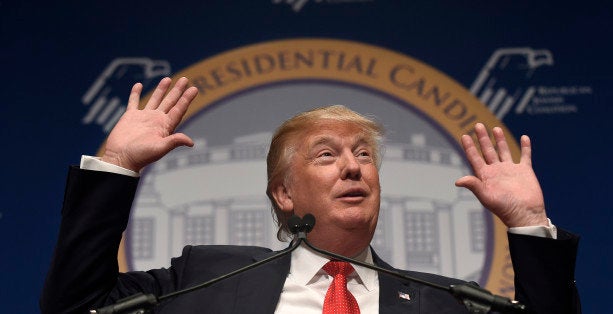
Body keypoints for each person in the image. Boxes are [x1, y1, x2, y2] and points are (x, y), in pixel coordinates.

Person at [41, 77, 580, 313]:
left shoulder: (452, 302)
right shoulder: (203, 277)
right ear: (283, 193)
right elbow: (76, 305)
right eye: (327, 155)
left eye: (364, 155)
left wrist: (529, 219)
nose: (352, 166)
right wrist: (116, 166)